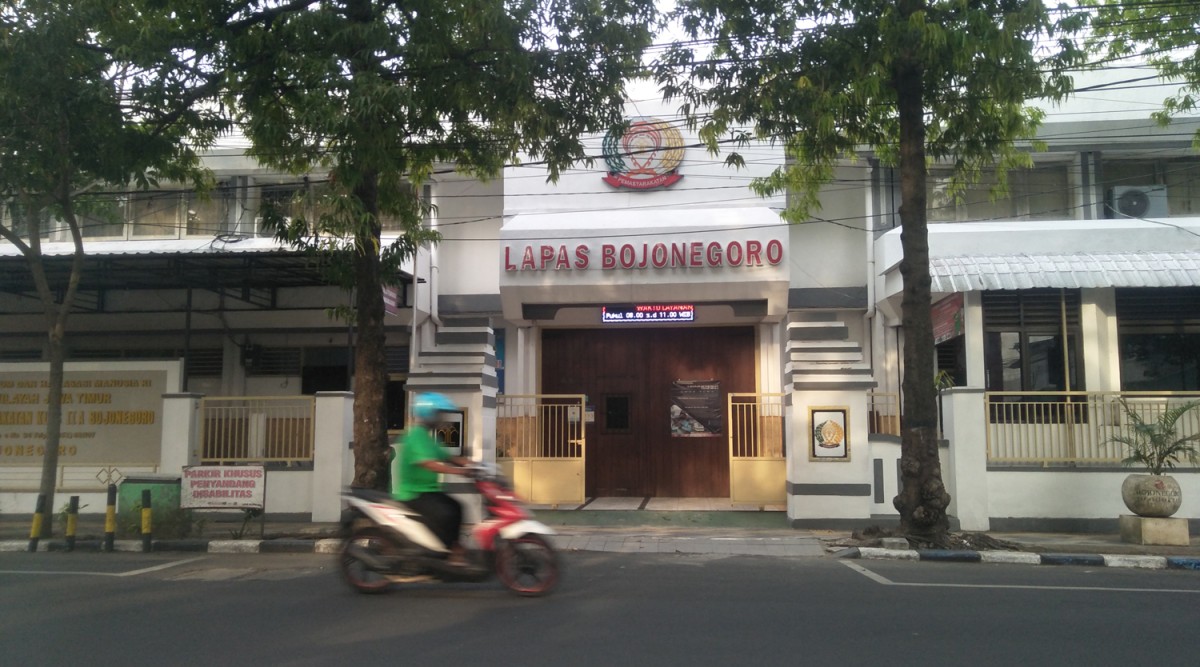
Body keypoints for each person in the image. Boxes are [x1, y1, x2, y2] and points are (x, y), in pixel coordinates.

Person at [391, 392, 475, 567]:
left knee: (458, 507)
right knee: (446, 514)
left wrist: (473, 465)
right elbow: (428, 463)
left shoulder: (430, 437)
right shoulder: (415, 436)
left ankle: (452, 550)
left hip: (429, 490)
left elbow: (446, 456)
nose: (441, 418)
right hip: (414, 493)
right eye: (438, 414)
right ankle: (440, 555)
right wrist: (459, 472)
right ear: (428, 414)